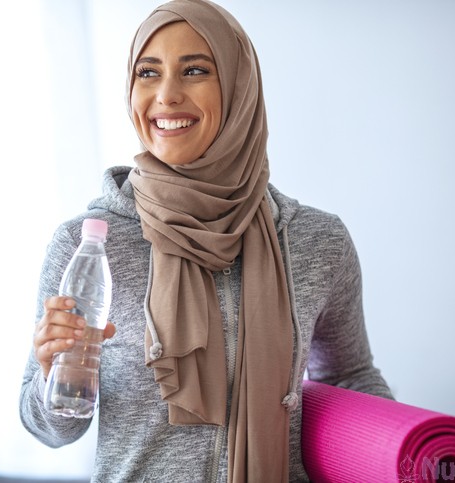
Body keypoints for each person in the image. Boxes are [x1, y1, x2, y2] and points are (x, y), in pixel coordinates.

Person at [21, 0, 393, 481]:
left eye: (194, 70)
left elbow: (348, 376)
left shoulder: (316, 240)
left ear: (239, 87)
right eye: (148, 73)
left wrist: (403, 450)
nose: (166, 95)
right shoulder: (87, 242)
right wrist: (55, 374)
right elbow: (50, 430)